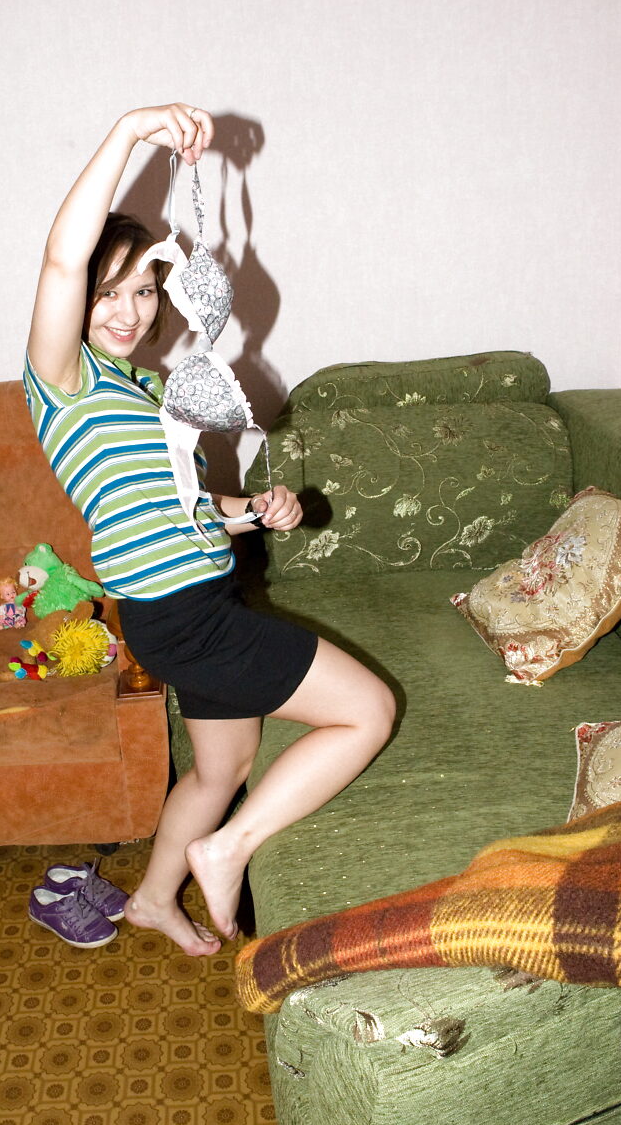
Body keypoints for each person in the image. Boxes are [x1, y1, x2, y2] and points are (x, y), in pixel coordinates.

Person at [24, 104, 395, 956]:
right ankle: (226, 850)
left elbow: (180, 508)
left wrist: (254, 510)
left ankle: (154, 900)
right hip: (178, 615)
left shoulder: (145, 391)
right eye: (105, 291)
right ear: (77, 300)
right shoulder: (61, 382)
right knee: (367, 712)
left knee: (222, 769)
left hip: (203, 594)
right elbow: (59, 255)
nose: (127, 310)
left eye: (143, 290)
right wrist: (129, 130)